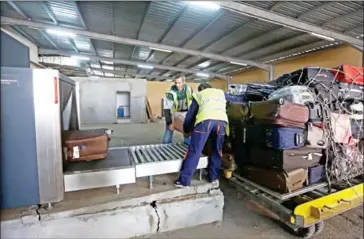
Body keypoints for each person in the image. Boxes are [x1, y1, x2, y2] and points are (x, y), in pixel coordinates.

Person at [174, 83, 229, 187]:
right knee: (217, 151)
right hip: (221, 123)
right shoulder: (221, 93)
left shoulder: (199, 95)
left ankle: (184, 181)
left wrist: (186, 130)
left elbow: (190, 115)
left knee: (195, 151)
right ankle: (213, 178)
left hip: (205, 122)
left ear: (200, 89)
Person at [162, 74, 193, 144]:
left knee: (188, 134)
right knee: (168, 134)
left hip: (185, 114)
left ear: (184, 82)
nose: (177, 85)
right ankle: (165, 148)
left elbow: (192, 102)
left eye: (179, 83)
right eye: (176, 82)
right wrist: (169, 123)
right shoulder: (171, 92)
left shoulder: (189, 89)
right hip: (173, 114)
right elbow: (166, 109)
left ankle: (188, 147)